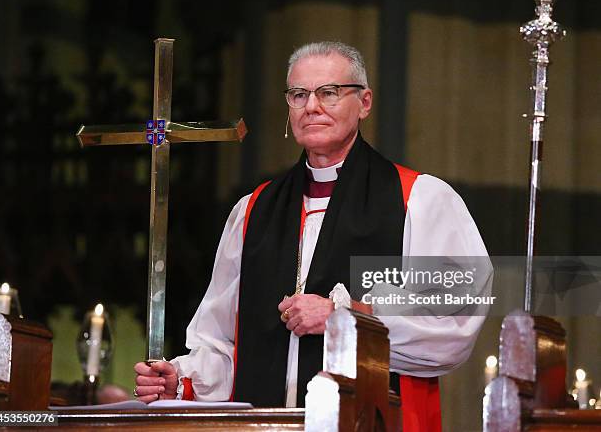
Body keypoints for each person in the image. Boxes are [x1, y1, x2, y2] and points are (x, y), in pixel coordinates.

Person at [134, 41, 491, 421]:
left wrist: (344, 318)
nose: (312, 106)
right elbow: (223, 346)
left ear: (365, 102)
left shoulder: (419, 200)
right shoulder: (252, 211)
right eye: (299, 94)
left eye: (330, 93)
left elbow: (452, 323)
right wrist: (182, 380)